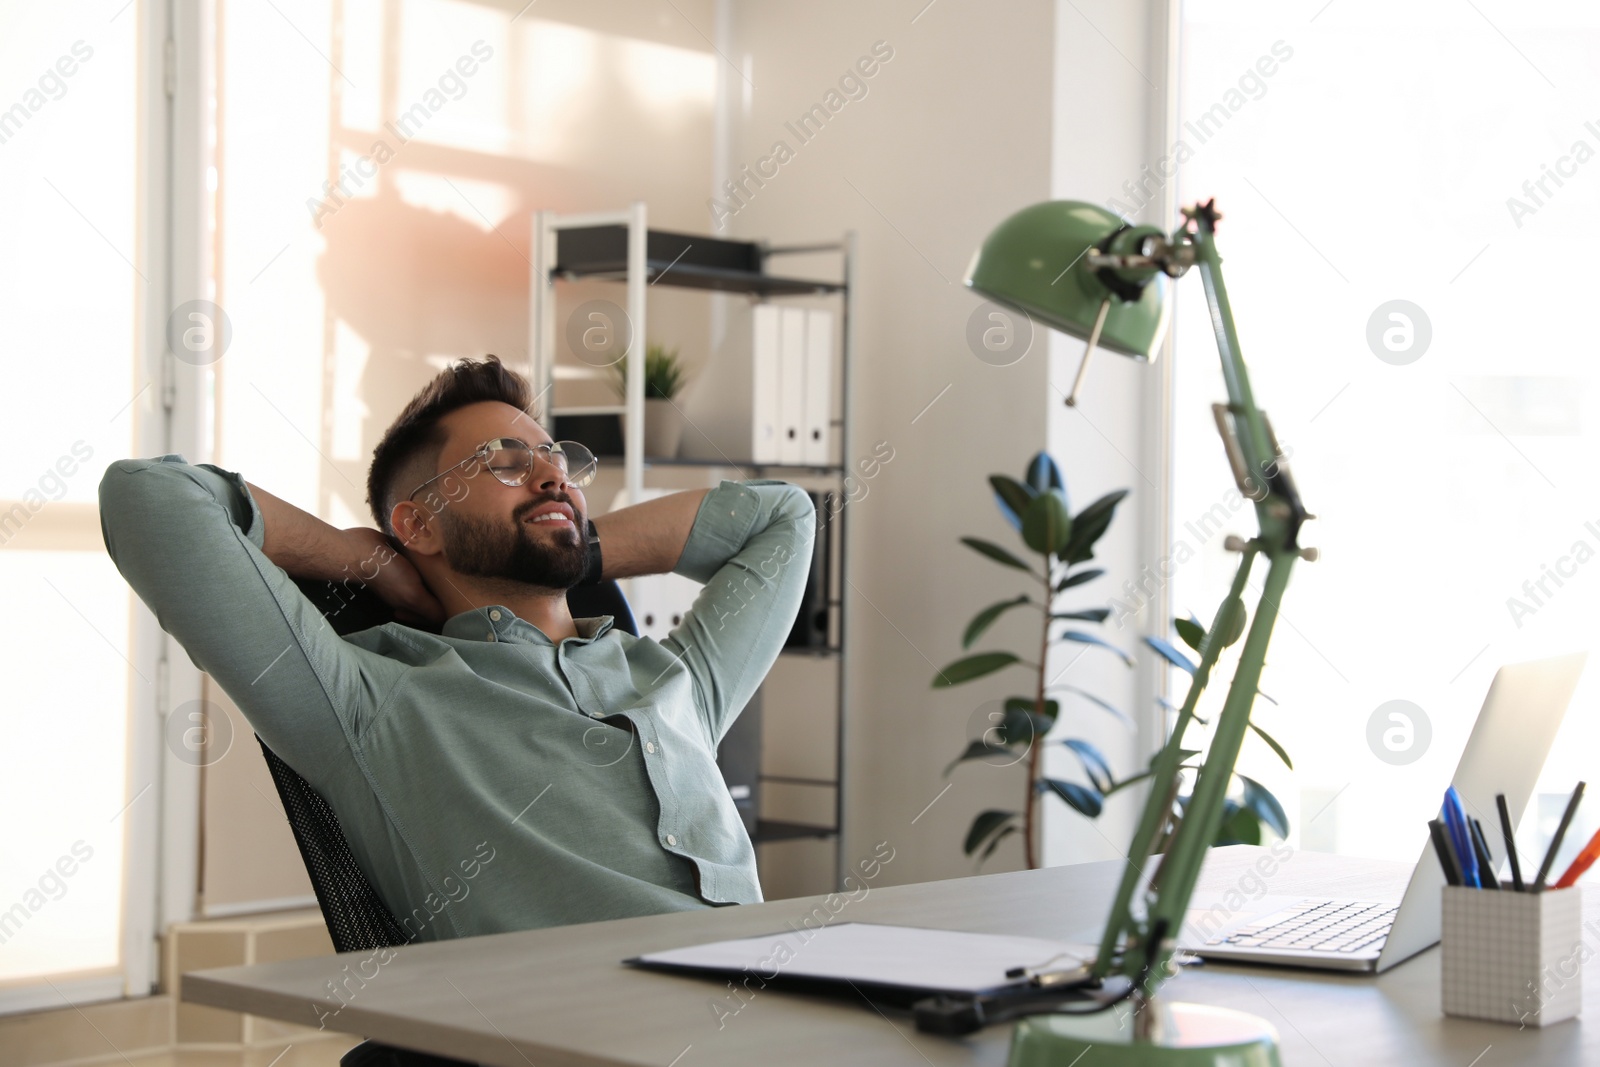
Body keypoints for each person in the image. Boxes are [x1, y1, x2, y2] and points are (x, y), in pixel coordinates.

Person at [98, 355, 815, 940]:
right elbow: (149, 497)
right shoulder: (372, 700)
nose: (552, 474)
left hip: (773, 1006)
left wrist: (573, 543)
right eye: (504, 463)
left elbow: (786, 516)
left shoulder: (674, 679)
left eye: (556, 461)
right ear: (420, 524)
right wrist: (362, 558)